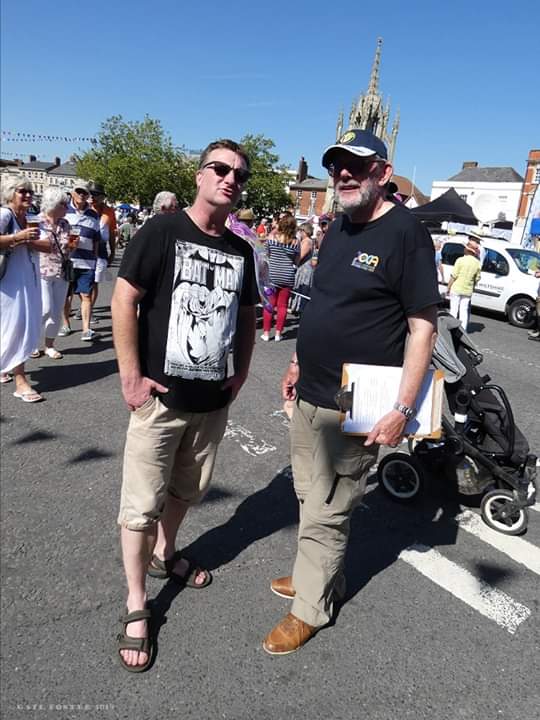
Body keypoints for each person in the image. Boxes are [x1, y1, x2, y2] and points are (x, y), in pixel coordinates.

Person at [263, 129, 440, 655]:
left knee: (329, 507)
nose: (343, 174)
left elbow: (422, 329)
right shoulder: (338, 227)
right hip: (310, 389)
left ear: (382, 173)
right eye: (336, 165)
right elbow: (323, 302)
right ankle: (316, 574)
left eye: (356, 165)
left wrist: (402, 408)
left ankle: (310, 607)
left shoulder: (406, 233)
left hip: (358, 400)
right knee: (307, 492)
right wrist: (296, 360)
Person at [111, 138, 258, 672]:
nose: (230, 179)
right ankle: (136, 602)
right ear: (199, 175)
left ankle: (165, 553)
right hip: (160, 401)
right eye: (220, 168)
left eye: (239, 174)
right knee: (140, 505)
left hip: (211, 402)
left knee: (186, 491)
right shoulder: (162, 231)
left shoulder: (241, 250)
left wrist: (241, 373)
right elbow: (124, 297)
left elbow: (247, 315)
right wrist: (131, 377)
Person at [0, 179, 48, 400]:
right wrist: (16, 238)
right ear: (11, 193)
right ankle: (21, 381)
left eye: (30, 191)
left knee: (19, 326)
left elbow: (48, 246)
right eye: (23, 191)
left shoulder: (30, 217)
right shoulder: (5, 215)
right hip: (9, 282)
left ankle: (6, 365)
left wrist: (28, 241)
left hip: (28, 279)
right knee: (16, 328)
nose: (28, 195)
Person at [32, 187, 72, 360]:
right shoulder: (36, 221)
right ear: (53, 204)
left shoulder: (65, 224)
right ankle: (31, 342)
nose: (67, 207)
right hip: (41, 270)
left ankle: (49, 345)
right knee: (45, 309)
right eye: (64, 204)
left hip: (61, 271)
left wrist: (72, 247)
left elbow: (66, 247)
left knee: (56, 311)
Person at [60, 182, 101, 341]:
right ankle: (66, 325)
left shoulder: (93, 214)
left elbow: (96, 238)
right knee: (66, 296)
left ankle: (86, 329)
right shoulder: (64, 210)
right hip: (68, 261)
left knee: (86, 295)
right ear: (73, 193)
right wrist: (67, 244)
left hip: (87, 262)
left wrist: (95, 258)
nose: (82, 195)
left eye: (85, 192)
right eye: (79, 191)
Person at [261, 215, 299, 342]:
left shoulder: (271, 238)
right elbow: (297, 261)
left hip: (272, 275)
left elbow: (266, 255)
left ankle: (266, 333)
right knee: (282, 306)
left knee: (269, 304)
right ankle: (278, 334)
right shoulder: (296, 242)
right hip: (287, 276)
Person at [89, 182, 117, 324]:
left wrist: (113, 251)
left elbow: (112, 232)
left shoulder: (109, 211)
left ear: (102, 197)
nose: (93, 197)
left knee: (95, 281)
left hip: (100, 249)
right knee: (80, 281)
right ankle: (84, 306)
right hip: (85, 248)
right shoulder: (84, 209)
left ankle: (89, 309)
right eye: (91, 194)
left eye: (96, 195)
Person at [447, 238, 481, 333]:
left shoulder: (460, 260)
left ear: (467, 250)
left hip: (456, 288)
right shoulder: (477, 263)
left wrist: (448, 287)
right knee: (464, 311)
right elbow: (477, 278)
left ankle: (451, 330)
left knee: (454, 310)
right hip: (468, 290)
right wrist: (472, 287)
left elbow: (454, 276)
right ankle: (462, 331)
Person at [289, 222, 314, 315]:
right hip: (301, 267)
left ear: (305, 231)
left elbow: (300, 256)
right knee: (298, 287)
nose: (299, 233)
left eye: (300, 231)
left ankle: (299, 308)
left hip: (305, 269)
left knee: (302, 288)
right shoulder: (304, 241)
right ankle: (295, 307)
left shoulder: (307, 241)